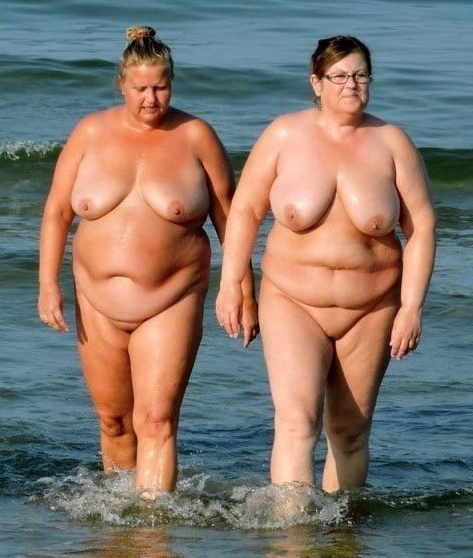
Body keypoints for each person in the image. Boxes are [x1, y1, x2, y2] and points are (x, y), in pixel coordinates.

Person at [37, 25, 258, 498]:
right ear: (121, 84)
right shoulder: (90, 132)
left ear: (172, 83)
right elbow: (56, 212)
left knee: (156, 419)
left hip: (171, 298)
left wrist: (242, 289)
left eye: (161, 87)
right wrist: (47, 284)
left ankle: (153, 526)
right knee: (114, 422)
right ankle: (120, 525)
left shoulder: (196, 135)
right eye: (140, 89)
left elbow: (230, 219)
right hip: (96, 301)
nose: (151, 99)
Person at [216, 35, 435, 494]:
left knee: (349, 431)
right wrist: (233, 283)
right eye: (339, 76)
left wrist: (411, 308)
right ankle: (293, 525)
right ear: (316, 83)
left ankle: (344, 528)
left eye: (360, 75)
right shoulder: (284, 134)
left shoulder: (392, 142)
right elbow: (246, 210)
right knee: (297, 422)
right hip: (293, 300)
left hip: (371, 306)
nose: (351, 84)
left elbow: (421, 228)